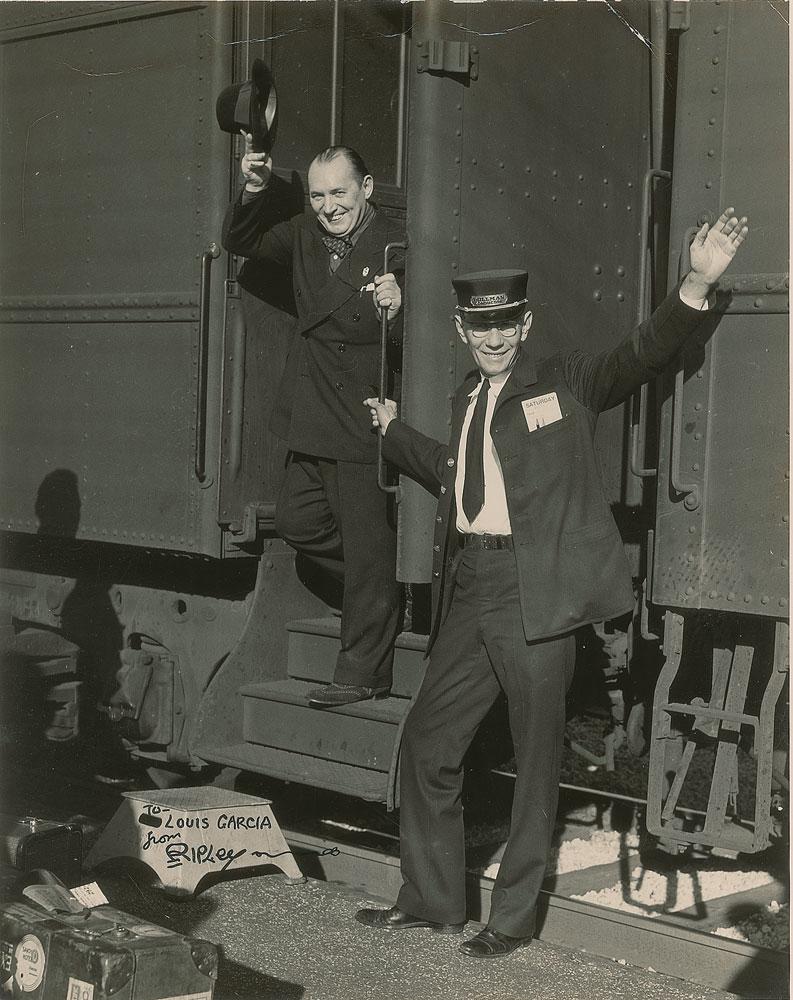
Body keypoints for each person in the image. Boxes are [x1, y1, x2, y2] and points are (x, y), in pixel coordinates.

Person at [356, 209, 748, 956]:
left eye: (505, 324)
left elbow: (638, 354)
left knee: (535, 764)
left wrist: (695, 282)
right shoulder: (468, 397)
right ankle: (434, 899)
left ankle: (508, 922)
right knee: (427, 745)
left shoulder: (564, 381)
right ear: (462, 333)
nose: (494, 337)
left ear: (525, 323)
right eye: (480, 327)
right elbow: (454, 472)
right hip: (470, 585)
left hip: (534, 593)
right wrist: (392, 433)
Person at [223, 136, 405, 707]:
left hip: (361, 415)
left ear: (366, 189)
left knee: (367, 545)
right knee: (301, 524)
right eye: (318, 195)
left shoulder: (396, 246)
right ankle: (377, 591)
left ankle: (361, 673)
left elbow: (419, 334)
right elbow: (241, 240)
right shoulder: (303, 232)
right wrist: (256, 187)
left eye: (340, 193)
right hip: (310, 410)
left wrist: (399, 310)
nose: (329, 206)